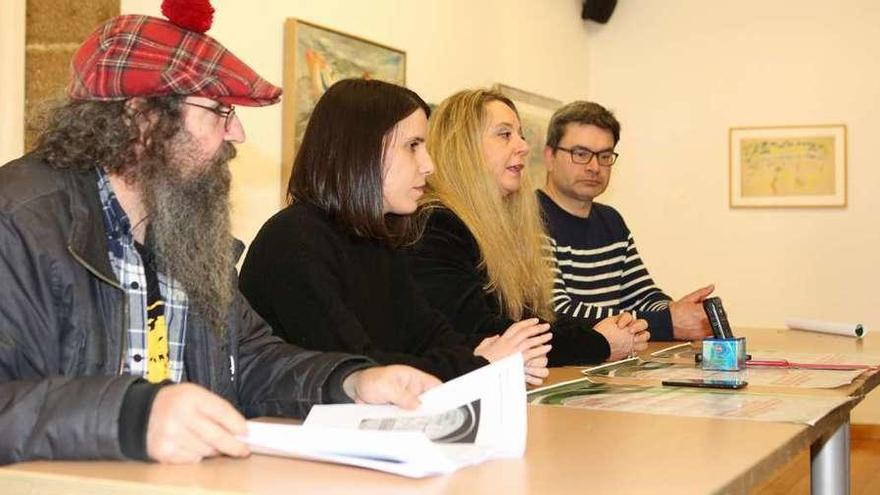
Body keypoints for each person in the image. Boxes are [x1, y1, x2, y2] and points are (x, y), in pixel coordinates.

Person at [0, 8, 438, 466]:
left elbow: (248, 362)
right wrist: (129, 416)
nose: (239, 134)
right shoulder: (19, 221)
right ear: (142, 117)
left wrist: (348, 384)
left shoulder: (183, 227)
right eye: (219, 111)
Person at [239, 79, 551, 385]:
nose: (429, 165)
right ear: (361, 150)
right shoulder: (294, 241)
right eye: (413, 146)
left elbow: (429, 336)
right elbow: (357, 368)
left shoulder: (376, 238)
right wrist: (480, 361)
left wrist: (484, 353)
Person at [407, 88, 649, 366]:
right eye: (505, 134)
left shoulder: (501, 225)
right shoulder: (436, 223)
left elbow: (531, 317)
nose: (523, 146)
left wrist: (608, 328)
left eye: (520, 134)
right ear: (463, 145)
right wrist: (598, 342)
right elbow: (482, 331)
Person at [539, 101, 713, 341]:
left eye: (605, 156)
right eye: (581, 154)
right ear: (549, 157)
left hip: (610, 365)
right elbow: (558, 312)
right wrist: (667, 323)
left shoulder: (611, 220)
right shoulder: (529, 218)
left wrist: (678, 312)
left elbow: (642, 295)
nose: (594, 167)